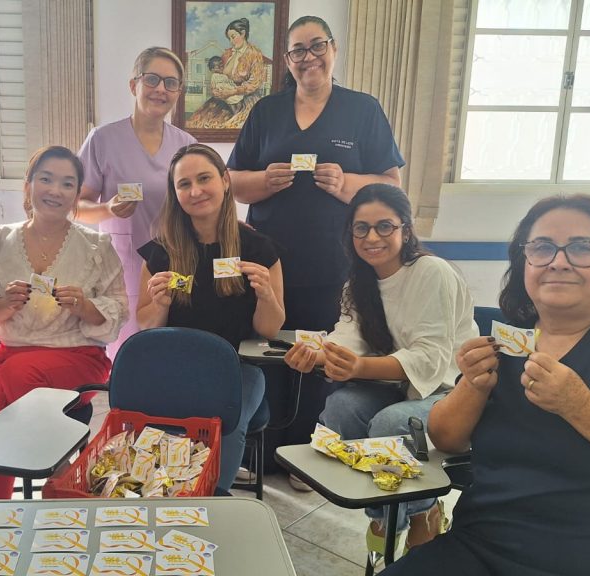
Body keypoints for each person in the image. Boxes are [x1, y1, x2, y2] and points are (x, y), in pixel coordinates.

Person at [384, 195, 590, 575]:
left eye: (581, 247)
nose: (558, 261)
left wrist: (579, 405)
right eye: (541, 247)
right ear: (524, 261)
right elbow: (446, 438)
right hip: (480, 547)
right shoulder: (509, 343)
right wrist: (473, 385)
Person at [228, 15, 405, 480]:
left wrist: (347, 183)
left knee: (320, 357)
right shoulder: (266, 111)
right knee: (267, 353)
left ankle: (307, 459)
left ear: (333, 49)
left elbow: (391, 186)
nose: (308, 58)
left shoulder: (362, 109)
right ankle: (259, 456)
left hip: (334, 263)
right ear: (286, 60)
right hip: (269, 264)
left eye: (316, 46)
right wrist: (264, 181)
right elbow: (233, 182)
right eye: (298, 50)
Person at [284, 184, 477, 551]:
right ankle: (391, 517)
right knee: (340, 408)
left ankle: (419, 514)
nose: (372, 238)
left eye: (384, 226)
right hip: (395, 385)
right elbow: (347, 339)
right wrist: (315, 356)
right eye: (362, 228)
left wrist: (357, 366)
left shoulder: (431, 272)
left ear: (406, 229)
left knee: (390, 424)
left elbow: (429, 360)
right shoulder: (358, 283)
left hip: (447, 389)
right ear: (351, 233)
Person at [0, 146, 128, 500]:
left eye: (67, 184)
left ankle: (52, 479)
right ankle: (1, 510)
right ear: (28, 185)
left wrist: (85, 306)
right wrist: (3, 305)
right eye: (46, 179)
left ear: (77, 194)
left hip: (77, 357)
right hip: (11, 352)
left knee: (15, 378)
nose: (55, 190)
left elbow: (119, 309)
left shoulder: (97, 245)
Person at [136, 143, 284, 490]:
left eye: (204, 178)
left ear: (225, 180)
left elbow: (269, 329)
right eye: (184, 184)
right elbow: (146, 327)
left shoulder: (258, 249)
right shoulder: (162, 251)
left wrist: (265, 295)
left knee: (224, 419)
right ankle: (159, 491)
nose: (195, 191)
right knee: (151, 417)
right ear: (175, 194)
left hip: (239, 369)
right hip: (175, 365)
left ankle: (212, 499)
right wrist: (159, 304)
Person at [77, 47, 196, 358]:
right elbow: (75, 207)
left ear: (178, 92)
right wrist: (107, 209)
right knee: (128, 355)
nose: (161, 89)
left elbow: (202, 204)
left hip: (175, 265)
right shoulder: (103, 140)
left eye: (171, 83)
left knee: (173, 352)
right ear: (134, 85)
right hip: (123, 267)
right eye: (152, 79)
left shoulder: (186, 145)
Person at [187, 18, 267, 129]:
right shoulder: (227, 53)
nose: (231, 41)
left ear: (243, 33)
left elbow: (255, 83)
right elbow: (217, 74)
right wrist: (216, 91)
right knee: (199, 122)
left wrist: (233, 91)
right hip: (223, 97)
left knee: (232, 125)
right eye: (229, 38)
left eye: (233, 37)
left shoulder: (254, 53)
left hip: (245, 99)